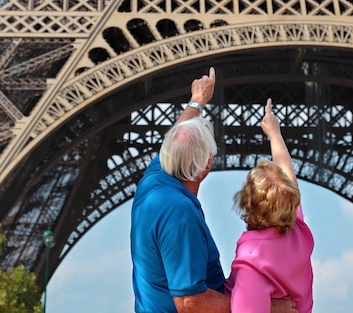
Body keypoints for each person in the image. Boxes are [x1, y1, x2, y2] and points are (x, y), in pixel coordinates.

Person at [130, 68, 299, 313]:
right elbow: (190, 303)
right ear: (207, 165)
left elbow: (176, 138)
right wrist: (266, 308)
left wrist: (197, 102)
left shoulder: (153, 183)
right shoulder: (180, 216)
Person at [225, 98, 314, 312]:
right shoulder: (297, 230)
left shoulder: (253, 260)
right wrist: (275, 134)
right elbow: (287, 176)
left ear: (247, 201)